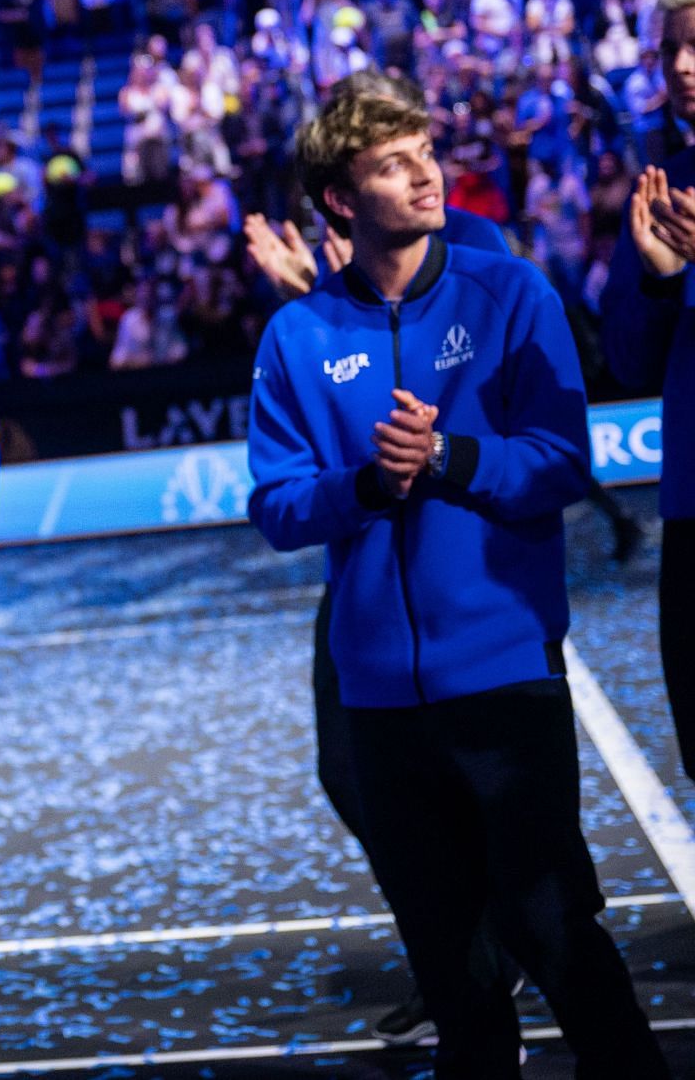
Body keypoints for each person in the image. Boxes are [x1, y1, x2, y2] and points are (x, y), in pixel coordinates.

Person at [247, 85, 667, 1078]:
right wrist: (366, 482)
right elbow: (277, 506)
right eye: (393, 163)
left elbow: (563, 462)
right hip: (381, 701)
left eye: (425, 150)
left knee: (559, 935)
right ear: (339, 200)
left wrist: (451, 461)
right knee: (454, 979)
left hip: (507, 674)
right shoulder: (296, 336)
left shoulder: (507, 292)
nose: (426, 172)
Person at [603, 0, 695, 780]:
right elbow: (628, 360)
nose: (686, 66)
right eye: (672, 50)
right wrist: (662, 280)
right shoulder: (661, 186)